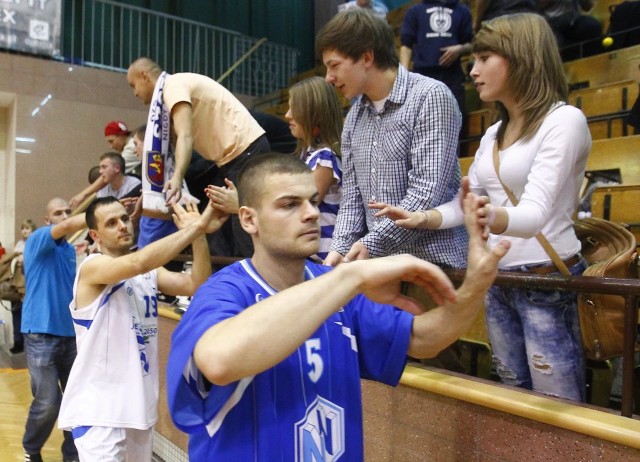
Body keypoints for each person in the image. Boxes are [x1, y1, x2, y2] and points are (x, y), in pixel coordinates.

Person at [165, 153, 510, 460]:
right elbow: (218, 361)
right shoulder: (225, 290)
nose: (311, 214)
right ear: (249, 220)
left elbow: (426, 338)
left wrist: (476, 284)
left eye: (313, 201)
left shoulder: (336, 288)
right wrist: (351, 277)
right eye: (289, 205)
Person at [371, 13, 591, 401]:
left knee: (557, 403)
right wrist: (422, 217)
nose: (473, 71)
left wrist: (485, 215)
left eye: (484, 58)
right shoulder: (493, 132)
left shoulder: (565, 121)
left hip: (546, 280)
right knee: (510, 393)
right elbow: (470, 205)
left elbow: (533, 215)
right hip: (497, 277)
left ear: (520, 57)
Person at [57, 196, 227, 461]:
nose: (122, 226)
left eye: (124, 218)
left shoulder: (150, 272)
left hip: (139, 408)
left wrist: (198, 236)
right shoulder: (93, 267)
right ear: (95, 235)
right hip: (99, 411)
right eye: (111, 223)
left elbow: (196, 284)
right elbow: (137, 263)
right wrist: (197, 226)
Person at [316, 10, 467, 269]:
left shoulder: (430, 96)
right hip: (380, 267)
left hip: (435, 267)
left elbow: (427, 192)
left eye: (334, 65)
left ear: (366, 57)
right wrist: (338, 250)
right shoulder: (353, 117)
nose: (329, 78)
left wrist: (371, 244)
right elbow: (352, 199)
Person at [126, 57, 270, 257]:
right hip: (231, 159)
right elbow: (166, 156)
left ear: (144, 76)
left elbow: (186, 136)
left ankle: (259, 285)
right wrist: (152, 191)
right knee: (222, 234)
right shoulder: (167, 97)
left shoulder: (172, 85)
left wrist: (176, 178)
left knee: (244, 231)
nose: (134, 93)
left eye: (133, 85)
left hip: (245, 151)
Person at [21, 198, 86, 462]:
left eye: (67, 212)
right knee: (48, 403)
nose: (64, 216)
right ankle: (31, 450)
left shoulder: (69, 251)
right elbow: (71, 224)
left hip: (70, 336)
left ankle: (72, 455)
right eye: (57, 213)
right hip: (40, 334)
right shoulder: (37, 240)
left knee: (77, 401)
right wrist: (104, 210)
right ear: (47, 221)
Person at [285, 76, 343, 261]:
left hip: (324, 260)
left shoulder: (324, 158)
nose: (287, 115)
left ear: (315, 114)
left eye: (294, 109)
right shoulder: (307, 155)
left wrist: (239, 205)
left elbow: (296, 205)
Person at [400, 0, 473, 117]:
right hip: (422, 75)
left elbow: (471, 44)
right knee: (422, 117)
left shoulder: (462, 10)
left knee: (456, 118)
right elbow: (406, 45)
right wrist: (403, 74)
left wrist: (460, 49)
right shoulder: (415, 11)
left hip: (452, 75)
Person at [9, 218, 38, 354]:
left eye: (27, 228)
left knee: (29, 314)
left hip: (30, 285)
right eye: (23, 228)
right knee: (16, 312)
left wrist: (24, 257)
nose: (25, 231)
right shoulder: (20, 244)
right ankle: (18, 341)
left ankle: (29, 342)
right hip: (17, 284)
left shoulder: (37, 243)